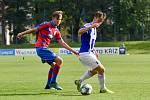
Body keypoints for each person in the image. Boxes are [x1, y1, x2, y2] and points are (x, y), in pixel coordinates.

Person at [17, 11, 78, 90]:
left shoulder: (56, 31)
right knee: (59, 61)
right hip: (41, 48)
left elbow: (62, 43)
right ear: (53, 18)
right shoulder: (46, 24)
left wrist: (73, 51)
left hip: (44, 49)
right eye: (58, 19)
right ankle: (53, 82)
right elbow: (34, 29)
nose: (59, 21)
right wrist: (22, 33)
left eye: (60, 19)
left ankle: (48, 85)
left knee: (53, 66)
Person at [75, 11, 114, 93]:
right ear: (95, 17)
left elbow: (90, 43)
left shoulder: (94, 29)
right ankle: (102, 89)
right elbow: (79, 32)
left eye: (101, 21)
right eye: (99, 20)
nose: (100, 23)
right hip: (85, 53)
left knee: (96, 70)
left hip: (89, 53)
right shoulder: (88, 25)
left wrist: (94, 50)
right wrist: (91, 26)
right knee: (102, 69)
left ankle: (80, 81)